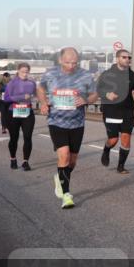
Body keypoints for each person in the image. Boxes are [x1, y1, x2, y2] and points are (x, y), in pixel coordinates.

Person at [37, 47, 98, 209]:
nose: (71, 65)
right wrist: (43, 102)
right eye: (67, 62)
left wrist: (85, 100)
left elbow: (94, 94)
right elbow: (40, 88)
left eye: (74, 62)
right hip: (56, 121)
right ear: (60, 60)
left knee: (72, 161)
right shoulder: (50, 74)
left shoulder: (85, 75)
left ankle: (60, 176)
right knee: (63, 156)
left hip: (77, 123)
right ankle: (66, 195)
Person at [97, 51, 134, 174]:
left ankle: (120, 166)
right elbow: (98, 90)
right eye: (124, 57)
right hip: (111, 111)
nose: (127, 59)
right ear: (117, 59)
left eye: (129, 57)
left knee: (126, 139)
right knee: (113, 140)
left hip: (127, 111)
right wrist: (107, 94)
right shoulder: (107, 74)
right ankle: (106, 149)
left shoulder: (132, 76)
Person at [2, 63, 36, 170]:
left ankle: (25, 162)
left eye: (27, 72)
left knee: (28, 137)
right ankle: (13, 159)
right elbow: (6, 98)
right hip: (14, 113)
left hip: (28, 112)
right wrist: (21, 97)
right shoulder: (12, 83)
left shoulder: (32, 83)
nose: (25, 74)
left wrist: (38, 99)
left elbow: (35, 95)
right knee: (14, 138)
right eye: (23, 72)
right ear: (18, 71)